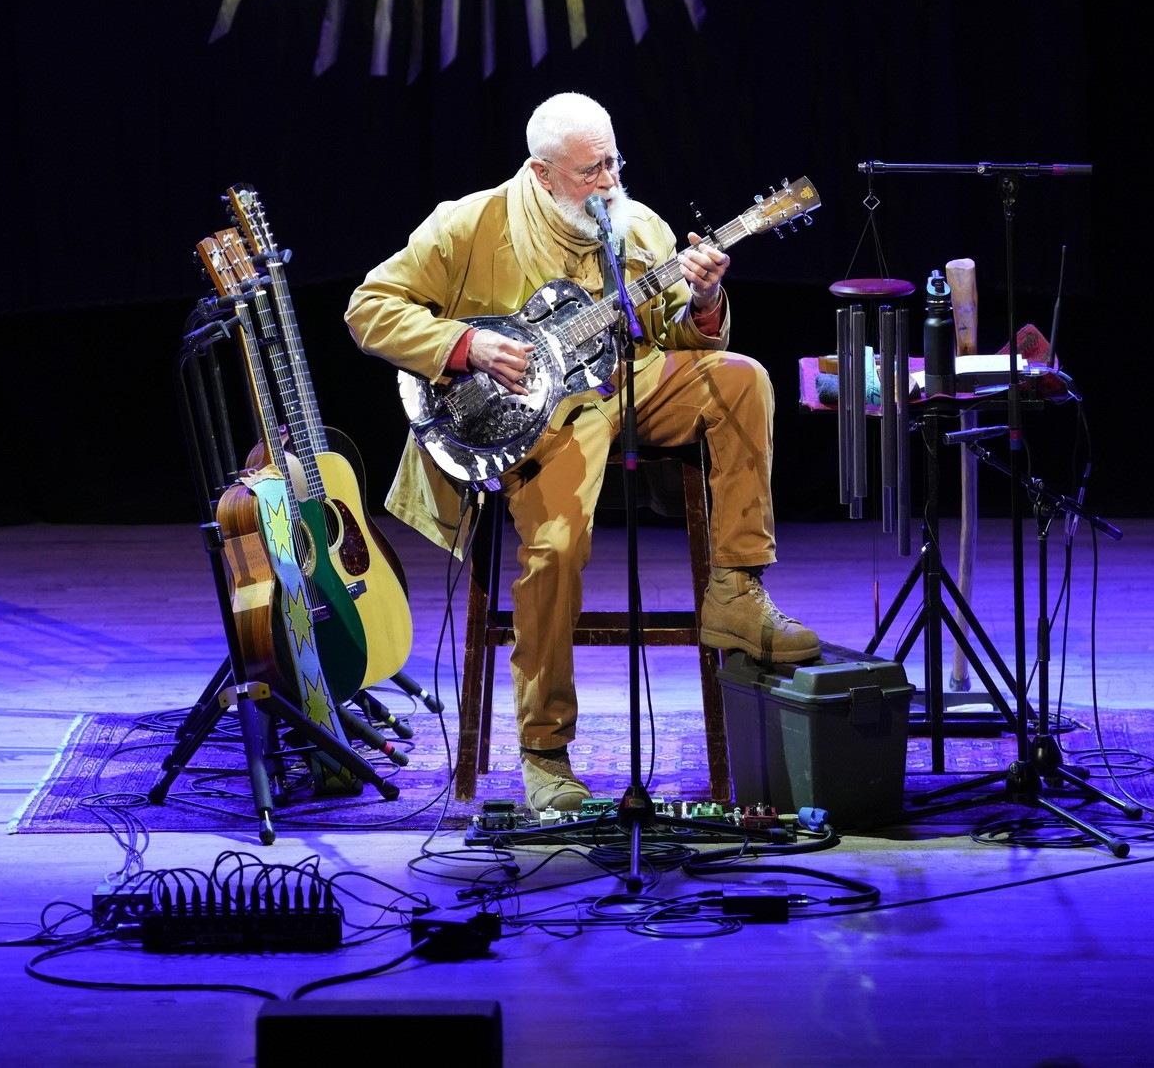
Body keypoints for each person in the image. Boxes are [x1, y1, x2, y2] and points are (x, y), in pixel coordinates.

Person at [345, 92, 818, 811]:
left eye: (614, 162)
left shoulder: (640, 227)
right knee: (557, 549)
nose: (609, 180)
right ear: (542, 173)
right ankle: (544, 750)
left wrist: (704, 302)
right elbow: (368, 308)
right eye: (591, 170)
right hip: (540, 419)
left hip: (633, 383)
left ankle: (734, 589)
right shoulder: (470, 223)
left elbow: (677, 335)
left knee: (742, 379)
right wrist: (468, 345)